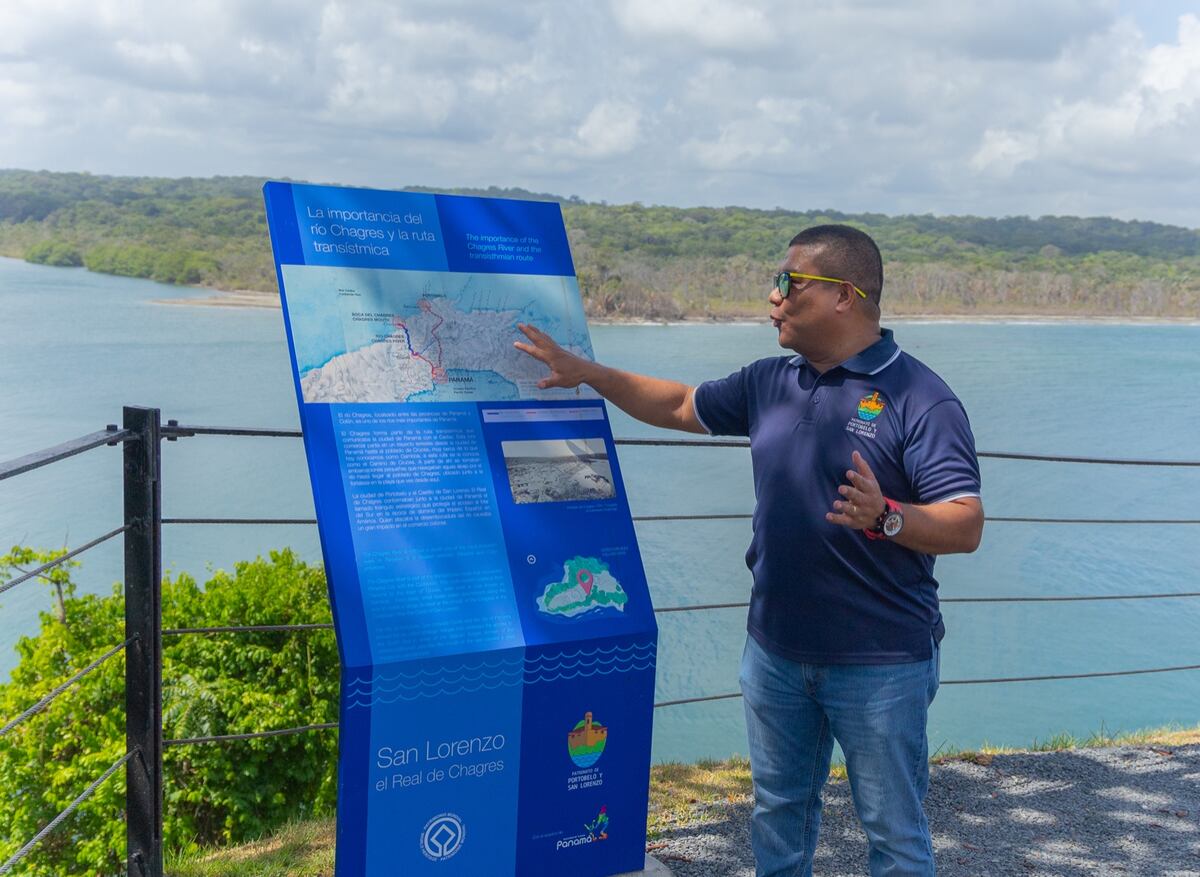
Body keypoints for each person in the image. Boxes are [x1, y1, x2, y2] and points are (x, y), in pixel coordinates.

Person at [515, 224, 983, 877]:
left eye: (789, 282)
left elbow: (965, 522)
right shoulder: (771, 382)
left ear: (844, 295)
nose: (773, 296)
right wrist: (587, 373)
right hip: (775, 653)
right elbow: (681, 403)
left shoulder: (920, 398)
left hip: (879, 662)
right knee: (778, 819)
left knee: (894, 834)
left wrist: (888, 516)